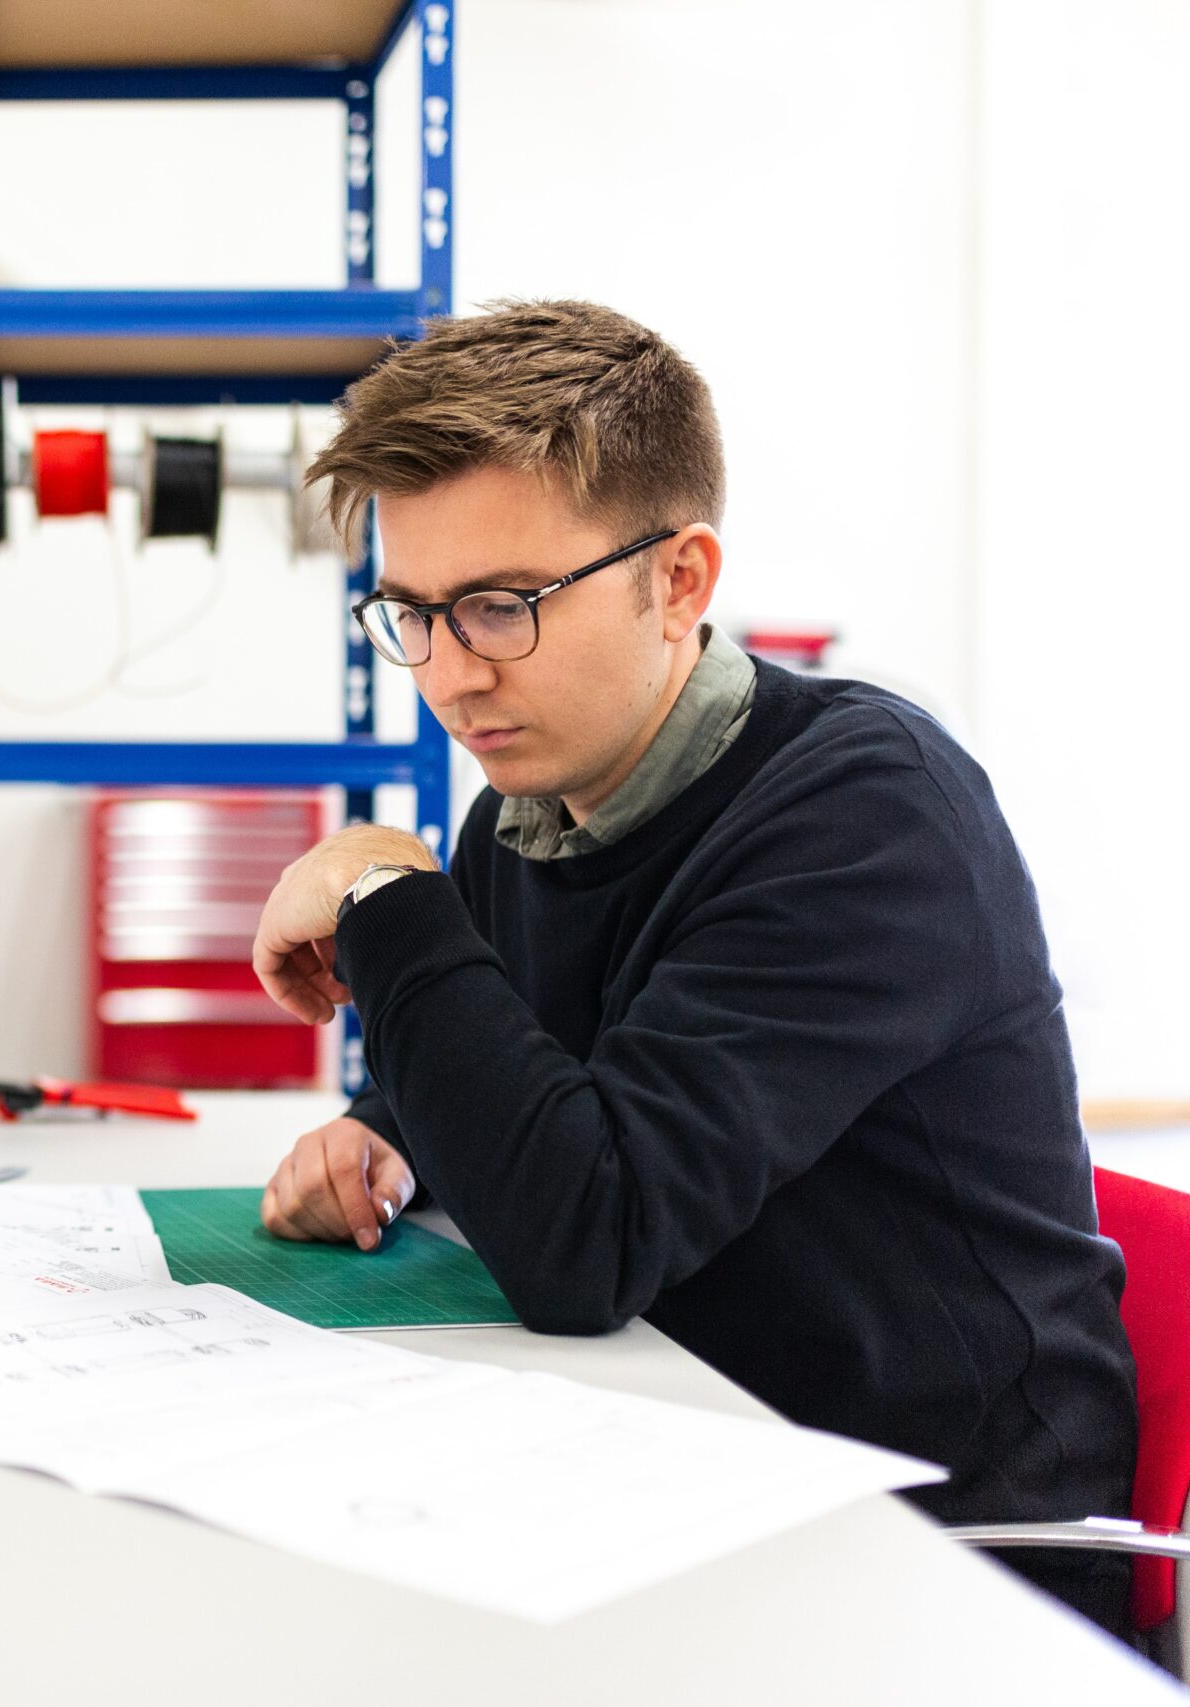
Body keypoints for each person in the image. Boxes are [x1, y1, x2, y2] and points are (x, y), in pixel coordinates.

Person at [250, 300, 1138, 1639]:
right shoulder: (528, 813)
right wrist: (386, 1140)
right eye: (413, 613)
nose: (445, 674)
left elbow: (585, 1237)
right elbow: (558, 1075)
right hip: (676, 1476)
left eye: (499, 608)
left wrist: (384, 889)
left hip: (937, 1574)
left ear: (681, 580)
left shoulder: (863, 812)